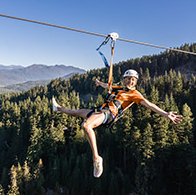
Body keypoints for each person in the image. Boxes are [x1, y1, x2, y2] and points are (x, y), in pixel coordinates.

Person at [52, 69, 182, 178]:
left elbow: (149, 104)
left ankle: (96, 158)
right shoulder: (120, 88)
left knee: (86, 126)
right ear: (125, 80)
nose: (130, 81)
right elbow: (108, 86)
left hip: (109, 114)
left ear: (135, 82)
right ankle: (57, 108)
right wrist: (99, 83)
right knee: (77, 112)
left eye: (133, 80)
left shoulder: (134, 94)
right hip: (101, 110)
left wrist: (165, 114)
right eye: (128, 79)